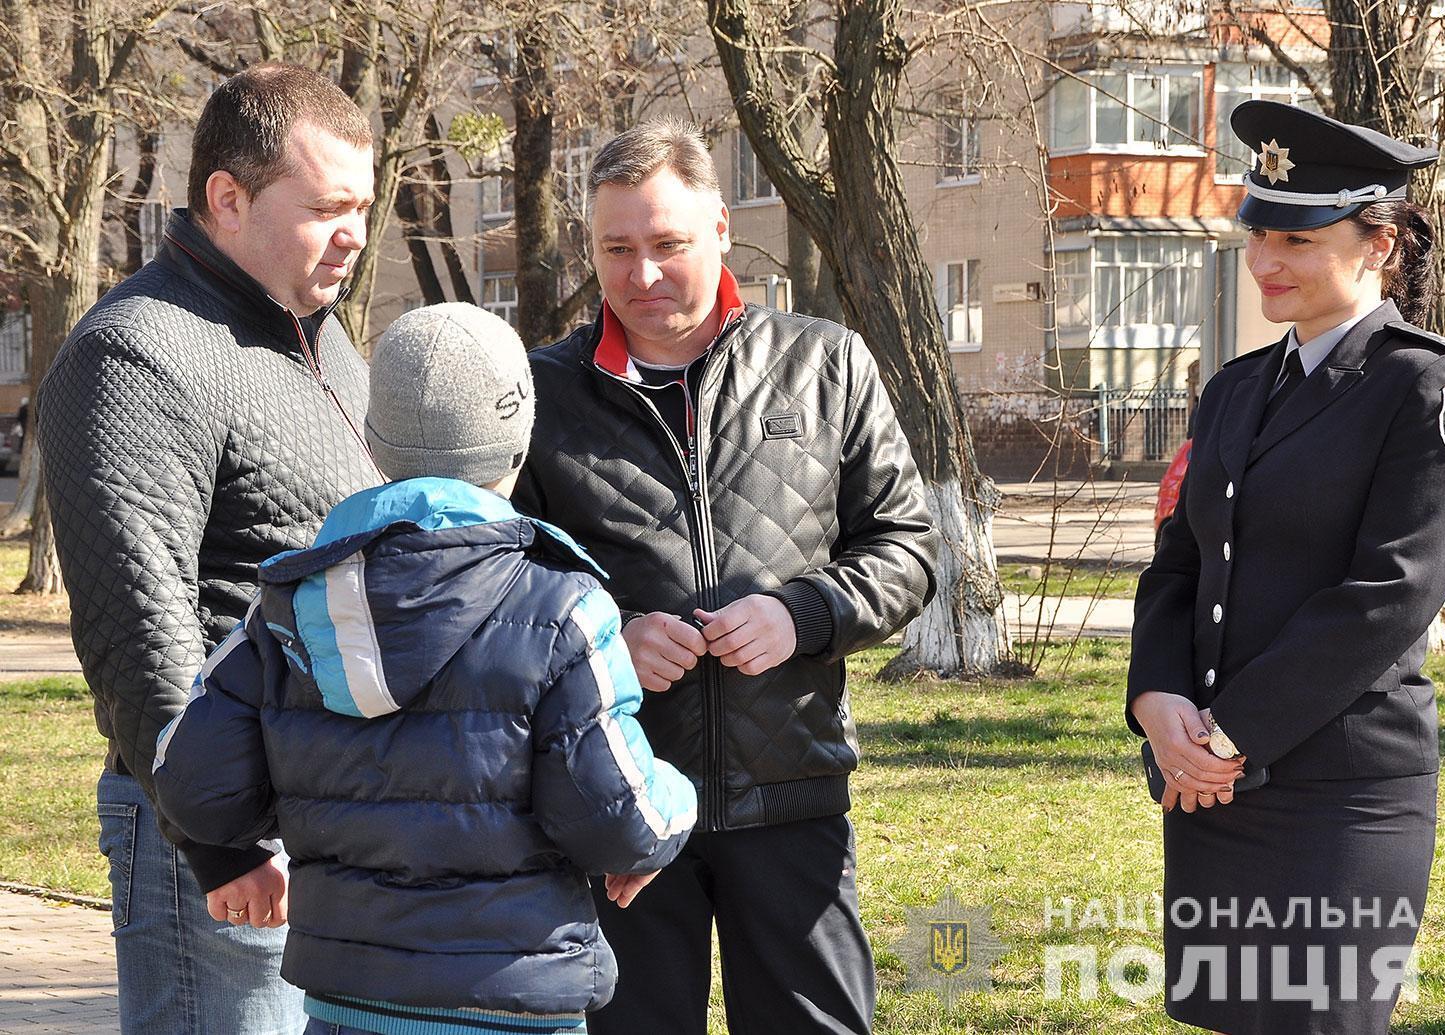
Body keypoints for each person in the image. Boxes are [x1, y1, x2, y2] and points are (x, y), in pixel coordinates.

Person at [151, 302, 698, 1035]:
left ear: (374, 441)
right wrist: (677, 803)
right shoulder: (565, 606)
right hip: (511, 1001)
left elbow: (192, 784)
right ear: (518, 441)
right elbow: (619, 817)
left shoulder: (286, 605)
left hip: (347, 1000)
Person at [514, 117, 938, 1035]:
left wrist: (807, 613)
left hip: (791, 793)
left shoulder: (826, 363)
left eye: (667, 243)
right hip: (619, 796)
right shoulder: (541, 394)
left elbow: (910, 549)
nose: (642, 274)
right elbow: (506, 584)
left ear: (718, 226)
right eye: (615, 249)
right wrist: (610, 635)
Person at [1128, 99, 1445, 1034]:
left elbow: (1392, 594)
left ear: (1378, 243)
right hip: (1211, 785)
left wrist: (1227, 735)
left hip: (1341, 793)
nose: (1265, 263)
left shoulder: (1428, 386)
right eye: (1257, 234)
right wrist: (1158, 699)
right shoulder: (1235, 388)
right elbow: (1179, 565)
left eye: (1297, 238)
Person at [37, 63, 381, 1034]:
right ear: (227, 198)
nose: (354, 232)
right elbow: (135, 627)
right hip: (227, 841)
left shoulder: (315, 339)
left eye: (360, 204)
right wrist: (221, 844)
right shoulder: (139, 353)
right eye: (326, 208)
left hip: (334, 819)